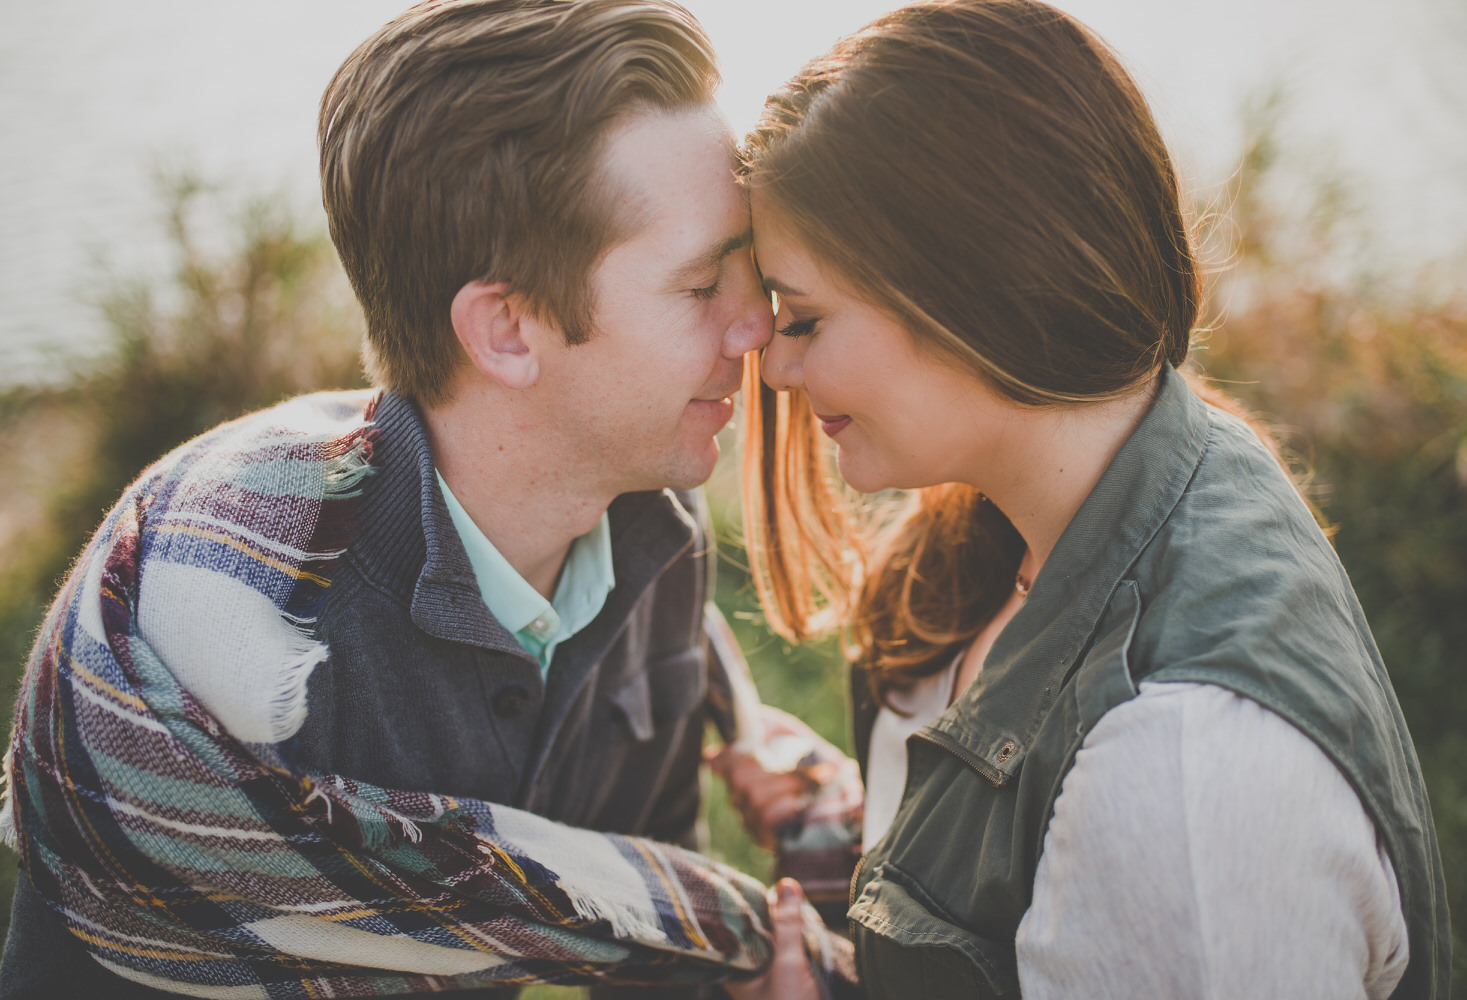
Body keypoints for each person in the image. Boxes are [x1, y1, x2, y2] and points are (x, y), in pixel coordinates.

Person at [0, 1, 855, 997]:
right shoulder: (226, 644)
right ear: (506, 331)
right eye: (704, 284)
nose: (758, 325)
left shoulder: (655, 540)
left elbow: (643, 944)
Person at [713, 0, 1451, 997]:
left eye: (801, 318)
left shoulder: (1183, 778)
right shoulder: (1021, 521)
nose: (778, 368)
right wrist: (854, 822)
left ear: (968, 293)